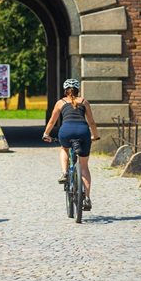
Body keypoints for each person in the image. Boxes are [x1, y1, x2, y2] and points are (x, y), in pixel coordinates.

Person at [42, 78, 99, 210]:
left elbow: (52, 121)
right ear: (78, 90)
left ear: (65, 91)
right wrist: (94, 136)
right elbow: (92, 122)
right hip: (83, 132)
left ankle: (65, 173)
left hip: (66, 131)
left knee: (64, 149)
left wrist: (46, 134)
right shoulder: (84, 102)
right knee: (84, 167)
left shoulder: (60, 102)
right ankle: (87, 199)